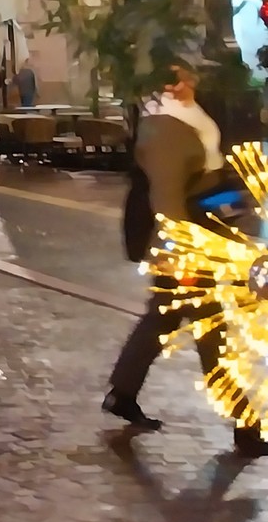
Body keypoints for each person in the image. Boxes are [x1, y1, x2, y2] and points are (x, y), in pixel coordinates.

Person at [104, 60, 267, 457]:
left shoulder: (189, 109)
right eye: (176, 75)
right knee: (212, 329)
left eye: (187, 73)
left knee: (163, 316)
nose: (185, 80)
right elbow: (167, 198)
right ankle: (244, 425)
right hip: (187, 245)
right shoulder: (162, 124)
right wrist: (179, 251)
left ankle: (122, 393)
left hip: (202, 233)